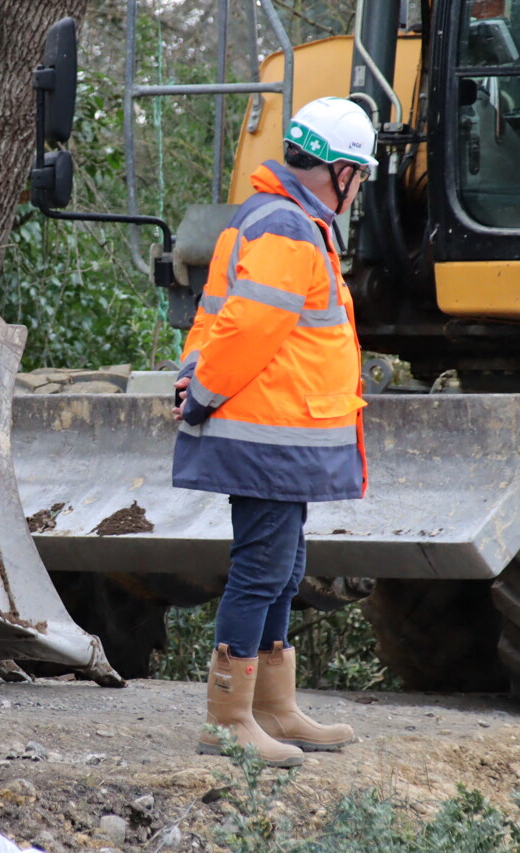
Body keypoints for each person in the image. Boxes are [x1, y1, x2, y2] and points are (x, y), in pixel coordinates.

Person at [171, 96, 373, 767]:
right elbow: (250, 326)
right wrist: (201, 392)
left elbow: (212, 320)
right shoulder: (287, 227)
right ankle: (228, 718)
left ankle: (273, 708)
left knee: (283, 568)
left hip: (279, 433)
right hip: (266, 434)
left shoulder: (275, 219)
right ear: (340, 172)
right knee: (262, 569)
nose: (362, 188)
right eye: (362, 175)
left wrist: (194, 380)